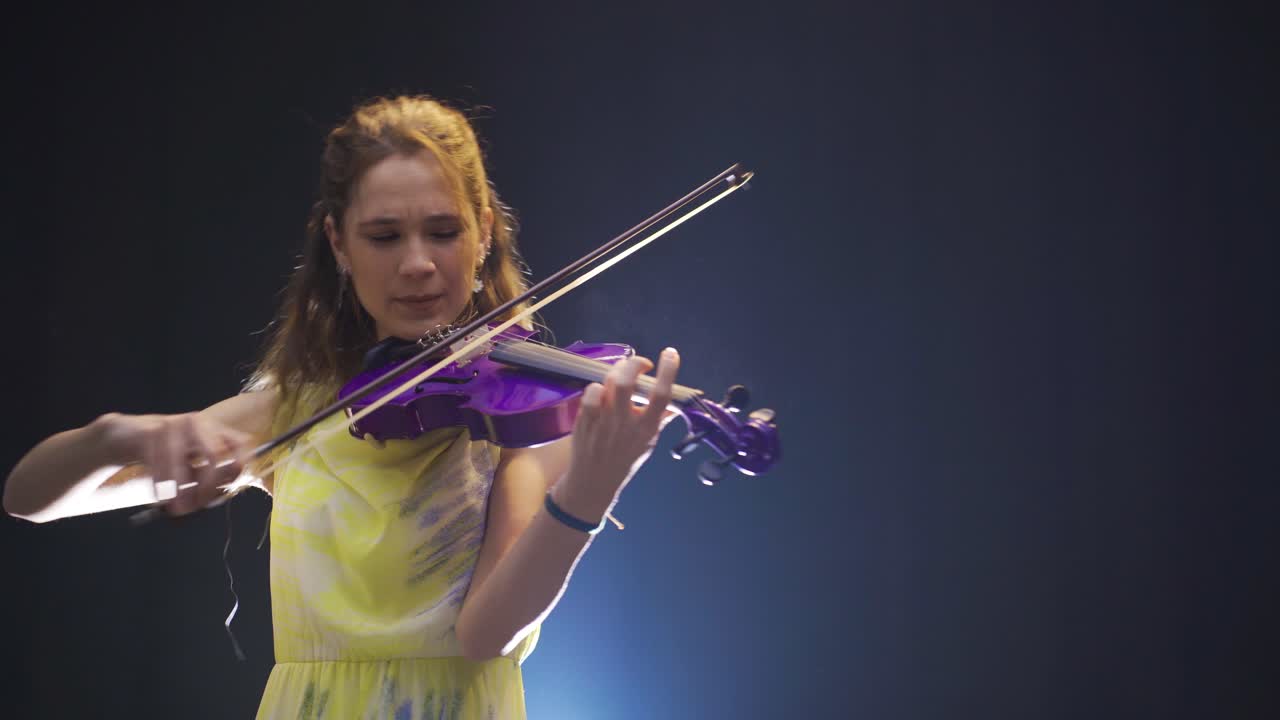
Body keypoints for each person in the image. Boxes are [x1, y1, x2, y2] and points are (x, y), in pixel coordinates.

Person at [3, 95, 681, 719]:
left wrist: (588, 494)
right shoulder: (297, 412)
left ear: (481, 236)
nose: (417, 263)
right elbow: (29, 498)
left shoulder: (521, 421)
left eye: (442, 232)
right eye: (384, 237)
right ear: (339, 245)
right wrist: (117, 434)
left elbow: (486, 636)